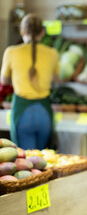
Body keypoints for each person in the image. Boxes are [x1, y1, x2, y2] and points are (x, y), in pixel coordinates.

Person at [1, 13, 59, 150]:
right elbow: (56, 79)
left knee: (28, 163)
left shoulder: (11, 52)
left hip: (22, 113)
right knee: (43, 161)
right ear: (43, 32)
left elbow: (3, 81)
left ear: (22, 32)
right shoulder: (52, 53)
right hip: (44, 113)